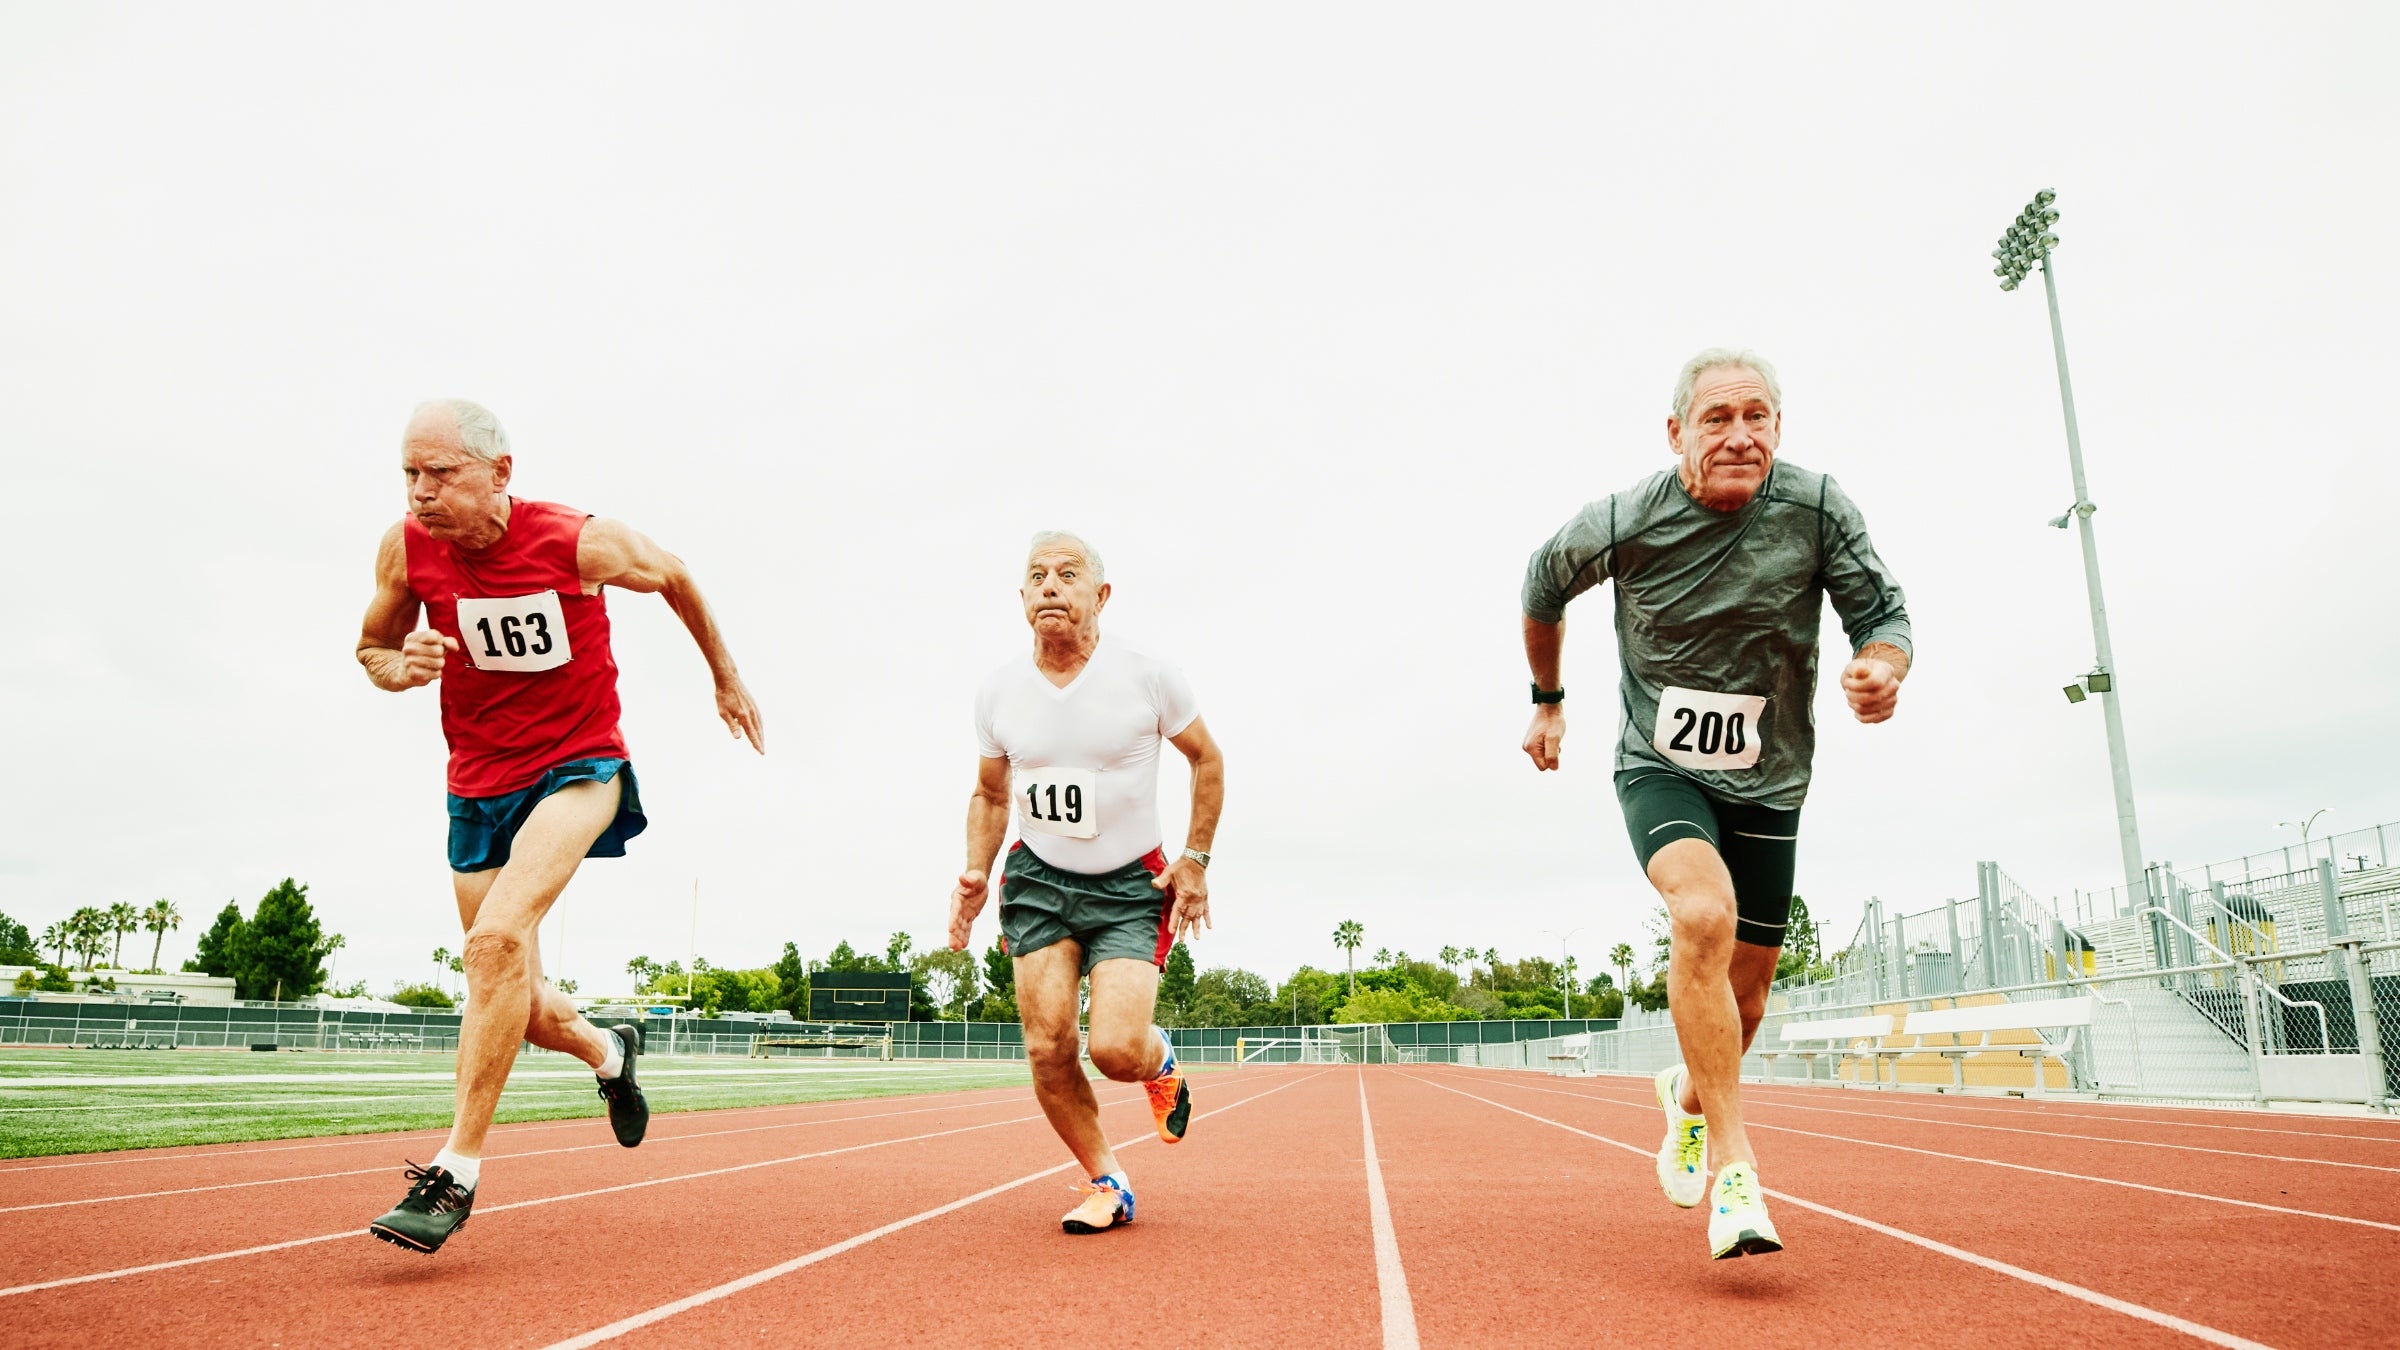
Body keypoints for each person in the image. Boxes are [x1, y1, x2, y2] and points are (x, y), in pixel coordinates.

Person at [1518, 349, 1911, 1260]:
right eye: (1716, 418)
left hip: (1772, 780)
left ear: (1778, 426)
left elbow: (1882, 615)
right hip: (1663, 766)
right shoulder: (1623, 521)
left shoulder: (1817, 509)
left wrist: (1882, 667)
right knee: (1702, 914)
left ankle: (1688, 1096)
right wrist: (1548, 700)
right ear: (1676, 432)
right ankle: (1736, 1170)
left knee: (1751, 997)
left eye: (1758, 417)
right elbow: (1542, 583)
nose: (1739, 436)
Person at [354, 398, 764, 1253]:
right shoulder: (405, 547)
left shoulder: (578, 541)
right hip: (476, 783)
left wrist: (724, 678)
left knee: (495, 942)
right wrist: (404, 668)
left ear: (500, 473)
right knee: (521, 1004)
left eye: (440, 473)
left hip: (580, 766)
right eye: (408, 474)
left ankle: (455, 1171)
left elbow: (678, 573)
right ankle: (611, 1054)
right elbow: (373, 649)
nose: (420, 492)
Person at [946, 531, 1225, 1234]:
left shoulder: (1148, 677)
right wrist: (977, 872)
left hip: (1131, 885)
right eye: (1037, 575)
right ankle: (1108, 1180)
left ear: (1100, 596)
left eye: (1067, 575)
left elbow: (1207, 761)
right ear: (1021, 599)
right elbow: (990, 793)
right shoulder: (1000, 691)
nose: (1049, 586)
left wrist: (1195, 858)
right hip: (1039, 880)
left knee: (1115, 1050)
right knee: (1047, 1046)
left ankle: (1159, 1062)